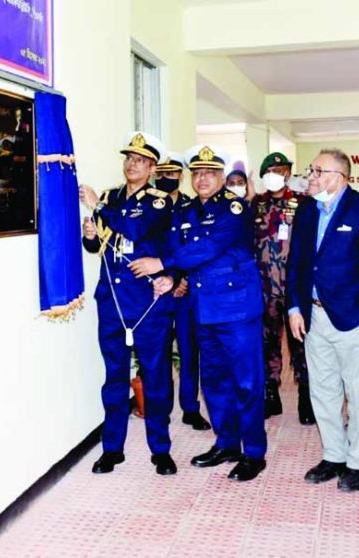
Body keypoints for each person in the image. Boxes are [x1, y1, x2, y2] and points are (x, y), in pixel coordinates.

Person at [129, 145, 268, 482]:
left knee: (247, 382)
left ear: (221, 177)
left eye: (210, 172)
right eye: (197, 173)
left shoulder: (234, 208)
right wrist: (170, 277)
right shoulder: (185, 210)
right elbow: (179, 251)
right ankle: (227, 442)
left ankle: (254, 452)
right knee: (215, 380)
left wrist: (163, 265)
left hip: (236, 308)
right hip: (202, 308)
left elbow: (207, 248)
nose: (203, 178)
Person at [286, 148, 359, 492]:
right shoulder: (305, 210)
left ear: (340, 176)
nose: (312, 176)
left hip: (351, 316)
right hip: (312, 315)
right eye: (311, 169)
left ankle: (358, 461)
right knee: (323, 389)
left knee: (358, 391)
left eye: (318, 171)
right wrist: (294, 308)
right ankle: (333, 454)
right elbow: (297, 264)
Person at [79, 131, 177, 476]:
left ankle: (160, 449)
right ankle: (112, 448)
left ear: (152, 167)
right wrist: (90, 236)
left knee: (155, 377)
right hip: (112, 301)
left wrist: (99, 207)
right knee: (114, 377)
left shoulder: (159, 201)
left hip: (146, 302)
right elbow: (100, 249)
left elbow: (135, 230)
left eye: (139, 160)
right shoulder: (111, 195)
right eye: (128, 159)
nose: (131, 164)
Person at [252, 152, 313, 423]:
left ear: (289, 173)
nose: (277, 173)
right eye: (272, 169)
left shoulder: (303, 204)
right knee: (267, 344)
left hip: (294, 289)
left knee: (302, 344)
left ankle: (306, 397)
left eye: (282, 169)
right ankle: (270, 394)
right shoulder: (254, 205)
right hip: (263, 288)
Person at [154, 153, 211, 432]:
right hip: (160, 290)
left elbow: (199, 249)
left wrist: (184, 279)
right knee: (160, 351)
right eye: (161, 174)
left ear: (181, 176)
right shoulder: (151, 206)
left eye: (172, 174)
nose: (166, 179)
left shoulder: (193, 207)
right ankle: (161, 408)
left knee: (190, 352)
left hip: (187, 291)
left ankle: (190, 408)